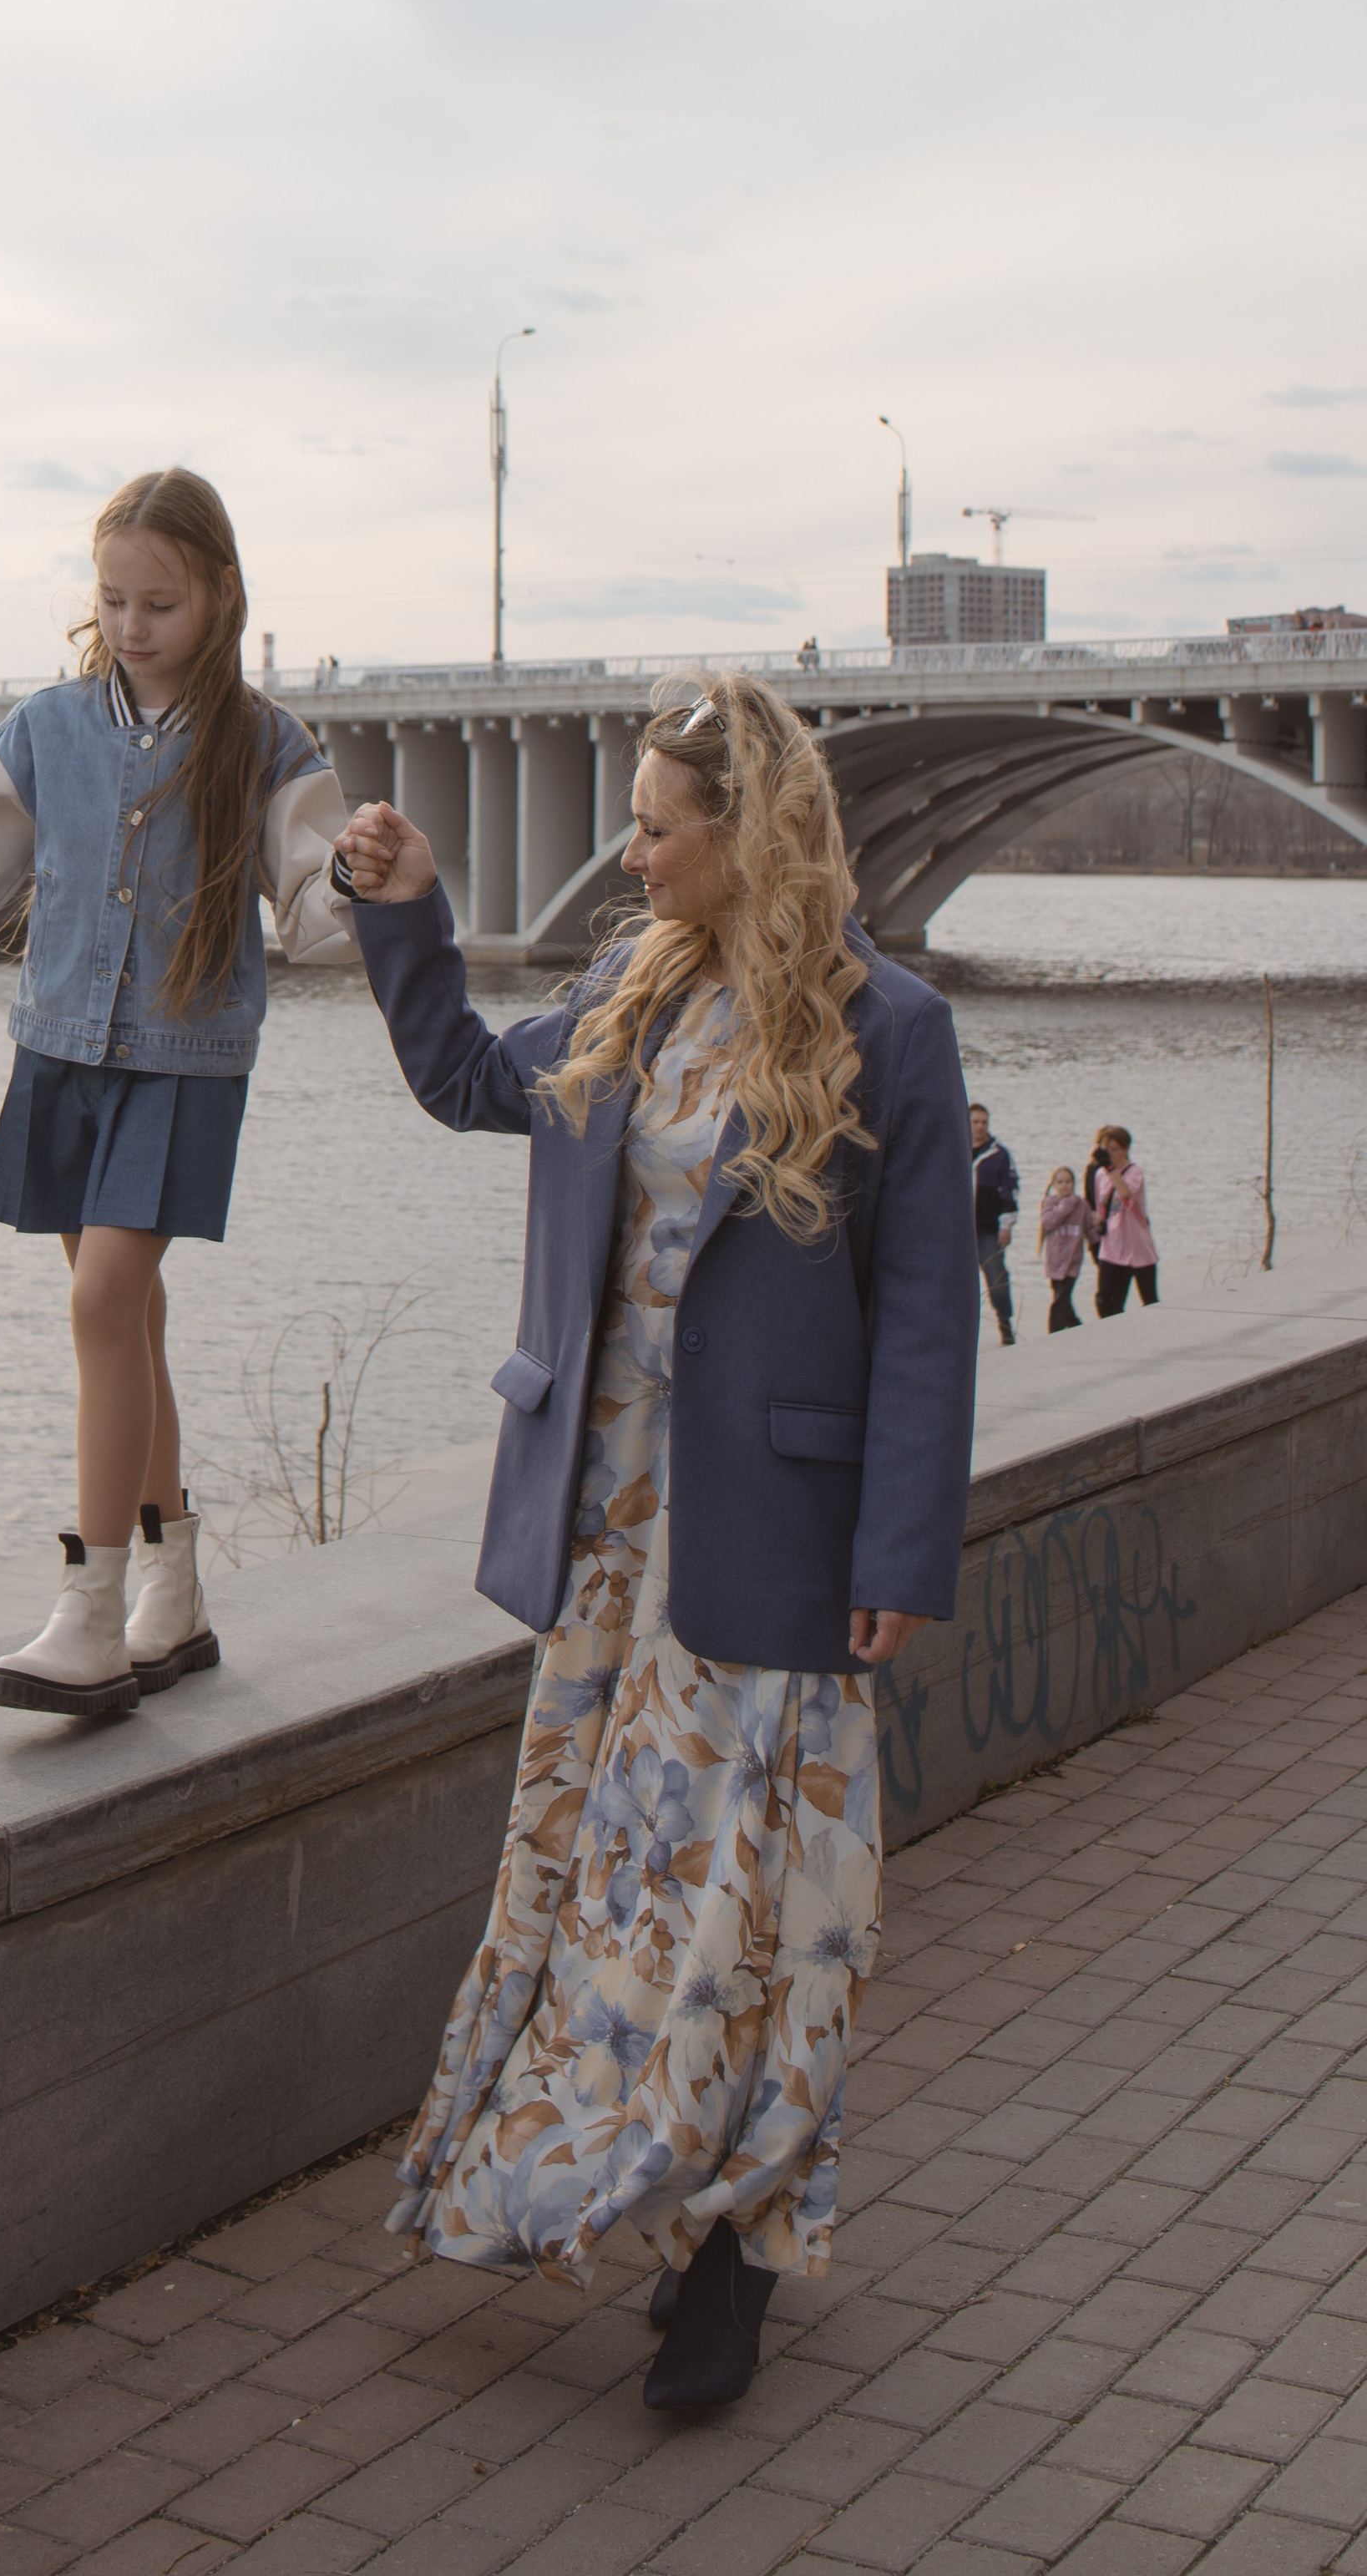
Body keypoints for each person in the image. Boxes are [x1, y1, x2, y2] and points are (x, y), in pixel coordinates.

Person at [335, 670, 976, 2417]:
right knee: (600, 1888)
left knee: (753, 1914)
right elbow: (468, 1076)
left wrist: (900, 1546)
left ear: (740, 836)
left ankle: (725, 2256)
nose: (627, 854)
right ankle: (586, 2173)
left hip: (772, 1544)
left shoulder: (886, 1026)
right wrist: (403, 913)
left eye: (652, 826)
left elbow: (924, 1311)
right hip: (607, 1535)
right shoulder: (629, 991)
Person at [0, 469, 357, 1715]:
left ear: (218, 595)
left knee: (103, 1301)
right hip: (60, 1054)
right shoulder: (44, 729)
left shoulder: (266, 744)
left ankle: (90, 1611)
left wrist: (361, 883)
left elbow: (315, 912)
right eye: (116, 599)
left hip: (181, 1060)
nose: (136, 624)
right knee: (130, 1323)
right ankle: (174, 1588)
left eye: (162, 601)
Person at [1091, 1126, 1158, 1313]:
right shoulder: (1100, 1175)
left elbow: (1125, 1193)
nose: (1110, 1154)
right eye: (1107, 1150)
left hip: (1137, 1246)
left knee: (1150, 1301)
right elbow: (1101, 1206)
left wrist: (1112, 1170)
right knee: (1105, 1301)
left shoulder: (1135, 1172)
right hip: (1112, 1246)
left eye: (1115, 1150)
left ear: (1125, 1149)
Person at [971, 1103, 1019, 1346]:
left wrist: (1007, 1225)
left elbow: (1010, 1191)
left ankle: (1006, 1325)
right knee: (960, 1285)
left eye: (984, 1122)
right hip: (960, 1233)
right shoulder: (954, 1150)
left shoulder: (999, 1154)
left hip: (989, 1230)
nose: (980, 1127)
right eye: (975, 1122)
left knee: (997, 1280)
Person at [1039, 1166, 1090, 1331]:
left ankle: (1054, 1332)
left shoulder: (1081, 1204)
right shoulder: (1049, 1203)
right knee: (1061, 1298)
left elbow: (1089, 1229)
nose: (1065, 1185)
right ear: (1054, 1184)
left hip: (1073, 1260)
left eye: (1068, 1182)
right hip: (1055, 1261)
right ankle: (1076, 1326)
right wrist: (1066, 1204)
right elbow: (1048, 1223)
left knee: (1061, 1299)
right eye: (1060, 1182)